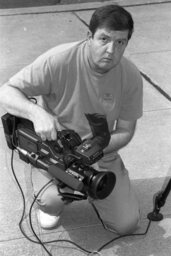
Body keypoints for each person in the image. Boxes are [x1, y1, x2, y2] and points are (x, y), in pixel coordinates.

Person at [0, 4, 143, 235]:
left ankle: (90, 188)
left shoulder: (131, 76)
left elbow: (126, 130)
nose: (111, 50)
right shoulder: (59, 60)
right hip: (54, 152)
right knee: (51, 200)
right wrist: (37, 113)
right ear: (89, 36)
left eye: (120, 42)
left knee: (126, 224)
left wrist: (93, 149)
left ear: (127, 43)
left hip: (100, 155)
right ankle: (52, 201)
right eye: (104, 39)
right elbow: (6, 92)